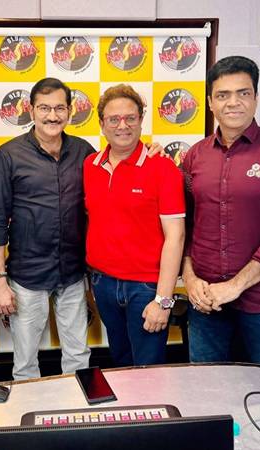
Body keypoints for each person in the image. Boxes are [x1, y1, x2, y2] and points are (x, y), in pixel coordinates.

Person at [182, 56, 260, 369]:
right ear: (210, 102)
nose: (233, 102)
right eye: (223, 95)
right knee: (206, 388)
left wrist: (234, 286)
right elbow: (187, 227)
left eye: (243, 93)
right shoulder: (195, 156)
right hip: (206, 301)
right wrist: (190, 278)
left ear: (256, 98)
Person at [0, 78, 93, 380]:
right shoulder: (9, 155)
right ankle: (29, 410)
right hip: (27, 274)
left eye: (59, 108)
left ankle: (77, 408)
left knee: (78, 355)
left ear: (70, 111)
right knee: (25, 362)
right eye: (44, 108)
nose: (52, 116)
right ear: (31, 110)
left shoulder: (84, 151)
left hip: (73, 273)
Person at [83, 84, 186, 367]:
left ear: (141, 120)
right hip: (103, 283)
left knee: (148, 370)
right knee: (120, 364)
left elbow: (176, 237)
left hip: (146, 288)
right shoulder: (90, 165)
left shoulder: (162, 168)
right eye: (114, 119)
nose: (122, 125)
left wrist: (163, 300)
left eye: (130, 118)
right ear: (102, 124)